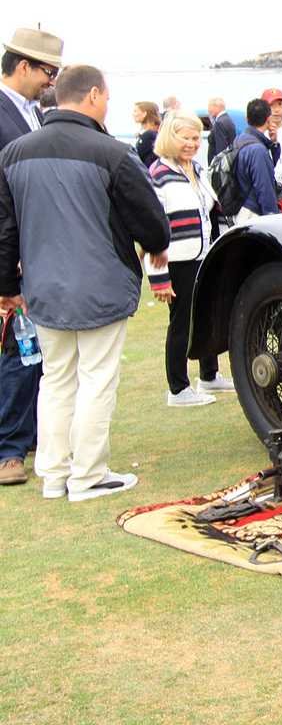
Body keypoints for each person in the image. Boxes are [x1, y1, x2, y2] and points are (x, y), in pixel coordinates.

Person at [0, 64, 170, 501]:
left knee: (55, 379)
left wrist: (7, 285)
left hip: (44, 285)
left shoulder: (14, 153)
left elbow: (5, 230)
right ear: (93, 95)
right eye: (107, 97)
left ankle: (54, 473)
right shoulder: (111, 151)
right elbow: (149, 219)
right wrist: (156, 244)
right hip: (100, 282)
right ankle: (87, 474)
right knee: (95, 379)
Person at [0, 29, 61, 487]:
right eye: (47, 72)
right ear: (23, 66)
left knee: (35, 351)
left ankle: (32, 435)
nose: (50, 81)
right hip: (11, 252)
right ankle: (10, 450)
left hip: (33, 250)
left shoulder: (32, 113)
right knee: (16, 351)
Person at [144, 113, 232, 407]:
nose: (192, 144)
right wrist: (158, 278)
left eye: (196, 138)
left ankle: (209, 375)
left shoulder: (198, 168)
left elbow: (211, 210)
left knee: (208, 315)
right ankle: (178, 389)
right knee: (182, 323)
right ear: (170, 136)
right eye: (185, 138)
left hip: (205, 254)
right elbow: (150, 228)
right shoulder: (158, 174)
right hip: (178, 261)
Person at [234, 98, 280, 221]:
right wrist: (272, 217)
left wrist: (273, 142)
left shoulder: (240, 139)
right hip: (252, 212)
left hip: (239, 208)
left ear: (246, 118)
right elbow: (264, 187)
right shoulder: (258, 150)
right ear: (269, 119)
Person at [206, 97, 238, 162]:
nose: (208, 110)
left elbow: (221, 149)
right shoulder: (229, 121)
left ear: (218, 107)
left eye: (209, 107)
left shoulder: (219, 123)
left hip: (219, 166)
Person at [132, 102, 160, 167]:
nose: (133, 114)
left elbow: (136, 155)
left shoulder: (149, 134)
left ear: (144, 114)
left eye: (136, 111)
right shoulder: (154, 132)